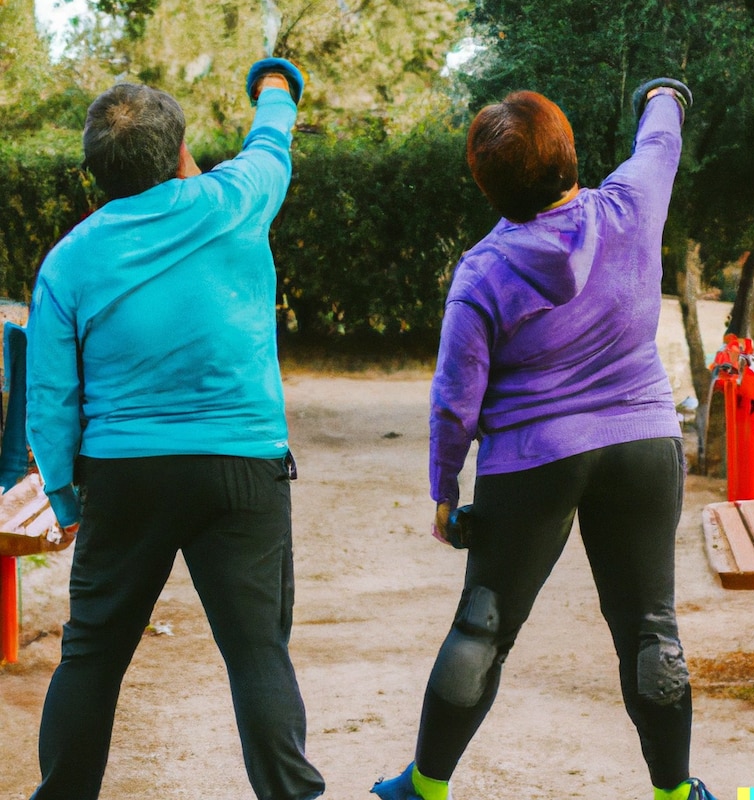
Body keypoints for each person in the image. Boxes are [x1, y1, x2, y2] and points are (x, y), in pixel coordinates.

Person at [371, 79, 718, 800]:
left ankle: (424, 789)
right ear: (569, 156)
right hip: (642, 443)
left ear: (488, 186)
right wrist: (663, 92)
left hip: (534, 459)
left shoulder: (483, 272)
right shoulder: (630, 204)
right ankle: (676, 795)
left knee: (484, 625)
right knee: (652, 630)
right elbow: (661, 138)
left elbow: (454, 400)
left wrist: (444, 491)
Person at [24, 58, 325, 800]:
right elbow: (271, 139)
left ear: (98, 172)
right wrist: (274, 85)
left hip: (124, 476)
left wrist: (64, 500)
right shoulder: (236, 198)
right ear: (182, 152)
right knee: (258, 652)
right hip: (242, 468)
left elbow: (52, 395)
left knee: (90, 654)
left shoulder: (69, 261)